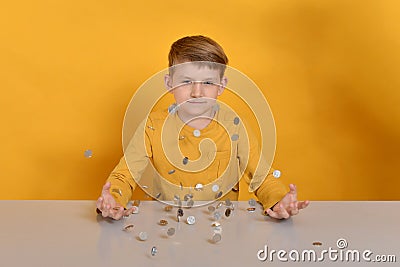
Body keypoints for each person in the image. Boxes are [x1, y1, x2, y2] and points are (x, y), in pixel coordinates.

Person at [96, 35, 309, 220]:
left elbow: (262, 178)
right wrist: (113, 200)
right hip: (164, 226)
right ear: (169, 83)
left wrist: (278, 202)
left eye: (207, 83)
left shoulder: (235, 126)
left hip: (221, 229)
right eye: (186, 81)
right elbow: (124, 176)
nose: (197, 92)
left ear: (221, 86)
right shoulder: (153, 126)